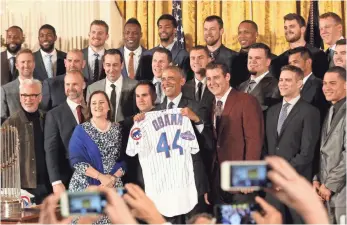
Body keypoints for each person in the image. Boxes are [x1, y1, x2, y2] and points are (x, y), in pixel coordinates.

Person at [264, 65, 320, 223]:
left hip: (296, 184)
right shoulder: (271, 112)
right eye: (281, 80)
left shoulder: (310, 112)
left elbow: (307, 153)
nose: (282, 83)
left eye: (288, 80)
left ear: (300, 84)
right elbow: (266, 148)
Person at [204, 62, 264, 204]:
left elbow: (254, 140)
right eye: (208, 79)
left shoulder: (246, 100)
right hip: (217, 180)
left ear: (227, 77)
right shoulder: (211, 104)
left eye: (216, 77)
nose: (212, 83)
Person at [69, 90, 126, 224]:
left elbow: (124, 159)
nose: (97, 106)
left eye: (101, 102)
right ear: (89, 107)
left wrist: (111, 179)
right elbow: (76, 160)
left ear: (108, 106)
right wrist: (101, 178)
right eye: (94, 103)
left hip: (113, 185)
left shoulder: (118, 129)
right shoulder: (81, 130)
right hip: (85, 186)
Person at [2, 79, 51, 204]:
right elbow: (4, 161)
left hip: (48, 185)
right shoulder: (10, 124)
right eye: (24, 95)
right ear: (20, 97)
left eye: (33, 95)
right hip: (25, 190)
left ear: (40, 97)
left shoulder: (47, 118)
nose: (28, 99)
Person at [44, 70, 87, 194]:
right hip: (67, 178)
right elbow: (50, 150)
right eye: (67, 85)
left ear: (83, 85)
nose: (70, 88)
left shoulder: (92, 109)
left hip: (94, 177)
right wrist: (56, 181)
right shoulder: (54, 114)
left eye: (74, 84)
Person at [313, 66, 346, 224]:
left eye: (332, 83)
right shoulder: (331, 110)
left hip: (342, 192)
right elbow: (324, 150)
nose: (326, 88)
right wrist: (317, 179)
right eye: (325, 83)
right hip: (327, 191)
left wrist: (330, 184)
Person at [86, 49, 137, 122]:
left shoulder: (135, 86)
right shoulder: (92, 88)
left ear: (122, 65)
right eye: (108, 65)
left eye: (115, 65)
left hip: (127, 131)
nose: (111, 69)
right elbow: (90, 116)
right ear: (103, 65)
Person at [271, 13, 328, 79]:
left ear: (302, 29)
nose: (288, 30)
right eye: (285, 28)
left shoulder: (318, 55)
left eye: (292, 26)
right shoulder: (278, 61)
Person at [145, 14, 192, 80]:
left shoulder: (183, 56)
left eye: (167, 27)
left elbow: (185, 81)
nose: (163, 30)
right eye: (160, 27)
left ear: (175, 30)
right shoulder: (147, 54)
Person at [238, 43, 280, 112]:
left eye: (257, 58)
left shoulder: (276, 86)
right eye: (250, 58)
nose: (252, 61)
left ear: (268, 62)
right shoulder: (241, 86)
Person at [288, 46, 329, 118]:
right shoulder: (287, 86)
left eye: (295, 62)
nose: (292, 66)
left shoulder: (319, 85)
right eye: (290, 63)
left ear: (308, 62)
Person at [1, 48, 35, 123]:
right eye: (23, 62)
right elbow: (2, 120)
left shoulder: (43, 86)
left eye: (29, 61)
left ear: (34, 64)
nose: (26, 65)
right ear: (16, 65)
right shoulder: (5, 90)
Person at [203, 16, 238, 87]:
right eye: (205, 29)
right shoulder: (194, 57)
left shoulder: (234, 57)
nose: (208, 33)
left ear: (221, 31)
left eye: (212, 29)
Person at [82, 20, 108, 84]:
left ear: (107, 36)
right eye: (93, 32)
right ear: (89, 34)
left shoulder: (111, 56)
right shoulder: (79, 55)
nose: (96, 36)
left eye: (100, 33)